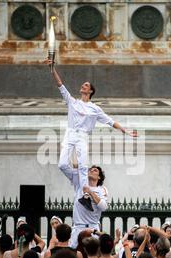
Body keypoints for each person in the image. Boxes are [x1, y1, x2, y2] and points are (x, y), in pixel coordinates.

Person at [47, 59, 138, 213]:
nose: (83, 86)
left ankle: (85, 196)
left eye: (86, 85)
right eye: (83, 84)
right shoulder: (72, 102)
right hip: (70, 134)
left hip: (82, 136)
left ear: (90, 92)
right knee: (62, 164)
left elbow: (110, 121)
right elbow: (60, 85)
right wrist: (52, 69)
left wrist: (125, 130)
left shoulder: (94, 108)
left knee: (83, 167)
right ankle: (80, 189)